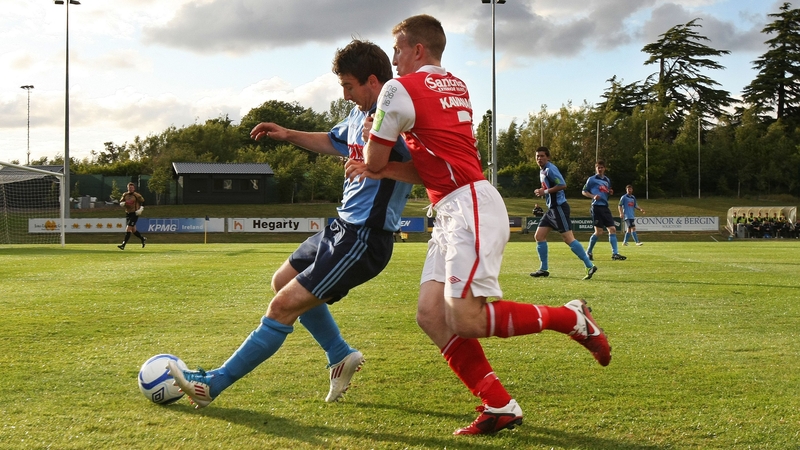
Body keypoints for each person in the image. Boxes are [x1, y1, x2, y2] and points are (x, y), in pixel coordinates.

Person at [345, 15, 610, 435]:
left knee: (466, 319)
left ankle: (571, 316)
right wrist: (380, 167)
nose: (393, 60)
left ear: (417, 50)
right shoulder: (455, 86)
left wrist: (370, 143)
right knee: (432, 315)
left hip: (467, 206)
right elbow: (429, 169)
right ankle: (499, 404)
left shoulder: (398, 89)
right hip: (456, 205)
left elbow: (376, 161)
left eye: (397, 50)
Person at [167, 40, 414, 407]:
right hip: (340, 228)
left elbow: (420, 167)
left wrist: (385, 168)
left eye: (348, 86)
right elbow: (333, 141)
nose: (345, 94)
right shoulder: (357, 117)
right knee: (281, 280)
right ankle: (339, 354)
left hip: (364, 238)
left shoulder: (396, 116)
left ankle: (213, 385)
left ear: (373, 81)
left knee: (283, 306)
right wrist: (288, 134)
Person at [529, 147, 597, 279]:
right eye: (537, 156)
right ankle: (543, 269)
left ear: (548, 157)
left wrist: (545, 192)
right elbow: (549, 187)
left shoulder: (550, 169)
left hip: (559, 208)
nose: (539, 158)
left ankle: (590, 266)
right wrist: (542, 190)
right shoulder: (542, 170)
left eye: (542, 156)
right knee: (539, 236)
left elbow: (563, 185)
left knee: (568, 239)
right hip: (552, 210)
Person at [582, 160, 626, 261]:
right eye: (598, 167)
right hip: (596, 207)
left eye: (601, 167)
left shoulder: (607, 180)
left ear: (604, 168)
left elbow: (606, 190)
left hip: (605, 207)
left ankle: (615, 254)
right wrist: (593, 196)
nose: (600, 169)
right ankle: (588, 252)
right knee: (599, 232)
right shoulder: (591, 179)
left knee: (613, 229)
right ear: (596, 168)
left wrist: (609, 192)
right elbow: (584, 191)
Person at [117, 182, 146, 250]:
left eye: (132, 188)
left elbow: (143, 201)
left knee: (128, 229)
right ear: (127, 188)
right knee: (133, 230)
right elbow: (121, 201)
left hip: (134, 213)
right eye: (129, 188)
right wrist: (122, 203)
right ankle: (143, 238)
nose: (130, 189)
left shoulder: (137, 195)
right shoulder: (125, 195)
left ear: (134, 188)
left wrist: (141, 209)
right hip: (128, 213)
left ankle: (123, 245)